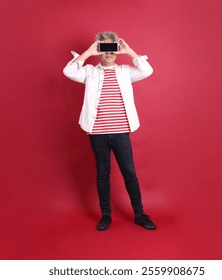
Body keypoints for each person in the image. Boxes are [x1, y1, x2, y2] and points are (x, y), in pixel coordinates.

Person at [63, 31, 156, 231]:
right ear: (99, 51)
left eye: (112, 48)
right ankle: (106, 215)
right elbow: (69, 71)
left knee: (129, 172)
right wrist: (88, 52)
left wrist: (129, 51)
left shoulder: (125, 71)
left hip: (122, 131)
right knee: (103, 173)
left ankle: (139, 214)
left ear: (117, 50)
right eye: (104, 48)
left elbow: (147, 70)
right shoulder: (90, 72)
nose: (108, 52)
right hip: (97, 132)